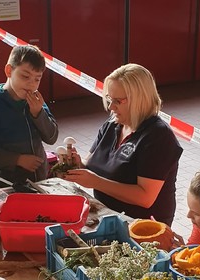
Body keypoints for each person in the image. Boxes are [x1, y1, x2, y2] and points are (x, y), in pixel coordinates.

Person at [64, 64, 182, 226]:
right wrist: (77, 165)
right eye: (109, 99)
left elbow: (145, 197)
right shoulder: (112, 125)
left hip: (142, 226)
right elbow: (91, 165)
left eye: (118, 101)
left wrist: (96, 182)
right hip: (107, 216)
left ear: (139, 100)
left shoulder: (158, 136)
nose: (111, 107)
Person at [0, 44, 58, 185]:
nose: (31, 84)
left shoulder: (36, 101)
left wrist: (38, 114)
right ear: (9, 71)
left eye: (37, 79)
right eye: (25, 76)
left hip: (39, 180)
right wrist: (18, 159)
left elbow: (52, 137)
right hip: (7, 184)